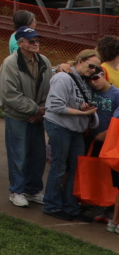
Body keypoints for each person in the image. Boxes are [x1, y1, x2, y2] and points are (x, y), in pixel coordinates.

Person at [43, 48, 101, 220]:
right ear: (80, 61)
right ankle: (52, 205)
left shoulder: (84, 82)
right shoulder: (63, 77)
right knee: (59, 166)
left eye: (96, 69)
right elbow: (56, 106)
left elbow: (78, 104)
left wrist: (85, 110)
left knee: (75, 168)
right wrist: (82, 113)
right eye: (91, 66)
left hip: (76, 129)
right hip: (59, 126)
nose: (93, 71)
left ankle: (70, 207)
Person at [0, 27, 52, 208]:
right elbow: (9, 94)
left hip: (37, 116)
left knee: (38, 155)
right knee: (18, 154)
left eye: (37, 40)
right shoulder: (10, 63)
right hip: (17, 116)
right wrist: (36, 109)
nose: (35, 43)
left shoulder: (44, 61)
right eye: (31, 41)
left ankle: (33, 190)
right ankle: (17, 191)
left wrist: (40, 112)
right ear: (20, 43)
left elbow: (49, 89)